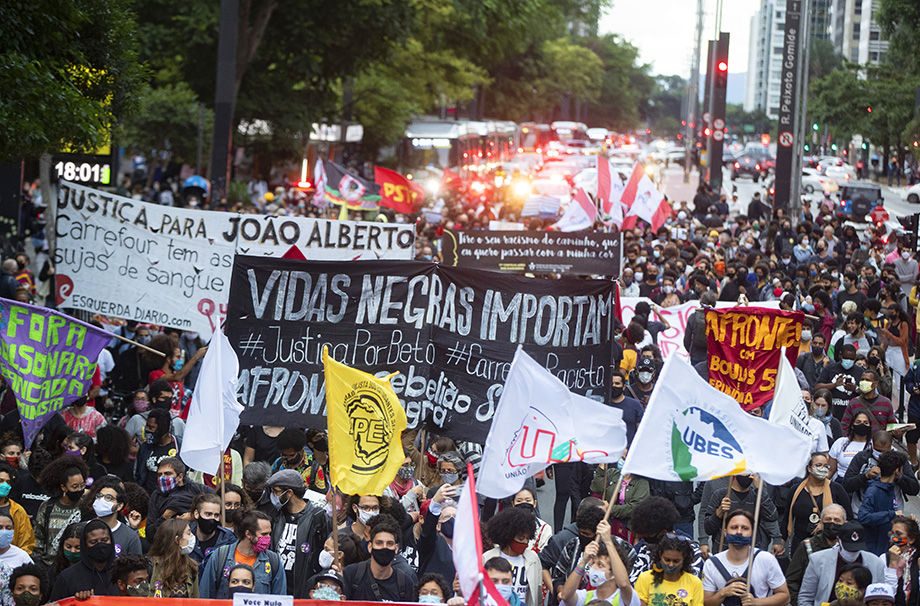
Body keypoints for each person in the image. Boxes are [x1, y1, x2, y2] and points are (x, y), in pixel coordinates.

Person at [702, 509, 790, 606]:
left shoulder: (766, 559)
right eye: (734, 527)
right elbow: (704, 602)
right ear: (725, 532)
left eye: (745, 528)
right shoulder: (712, 564)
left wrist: (756, 602)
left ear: (752, 533)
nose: (739, 532)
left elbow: (785, 597)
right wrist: (722, 593)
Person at [267, 469, 330, 596]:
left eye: (276, 491)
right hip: (278, 588)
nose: (273, 495)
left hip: (305, 589)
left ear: (289, 492)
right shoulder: (276, 516)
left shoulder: (318, 517)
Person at [200, 510, 287, 597]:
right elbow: (205, 595)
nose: (268, 538)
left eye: (269, 534)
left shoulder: (273, 561)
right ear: (248, 534)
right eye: (264, 534)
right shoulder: (220, 556)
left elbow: (280, 598)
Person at [798, 522, 886, 606]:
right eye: (849, 548)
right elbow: (805, 598)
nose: (852, 553)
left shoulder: (876, 563)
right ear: (838, 540)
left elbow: (880, 599)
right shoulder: (818, 560)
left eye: (856, 549)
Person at [786, 453, 853, 555]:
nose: (823, 469)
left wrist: (827, 523)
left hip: (828, 544)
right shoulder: (796, 490)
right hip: (800, 543)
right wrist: (780, 541)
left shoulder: (837, 489)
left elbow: (849, 519)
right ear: (809, 468)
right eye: (818, 465)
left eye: (826, 466)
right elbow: (786, 518)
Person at [559, 519, 636, 606]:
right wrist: (583, 561)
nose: (593, 568)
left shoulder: (625, 599)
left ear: (613, 573)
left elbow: (624, 584)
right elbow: (565, 596)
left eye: (600, 565)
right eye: (592, 563)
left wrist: (608, 542)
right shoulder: (584, 597)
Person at [841, 431, 919, 515]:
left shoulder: (900, 461)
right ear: (872, 445)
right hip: (862, 513)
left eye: (885, 451)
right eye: (878, 450)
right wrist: (865, 476)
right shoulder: (861, 458)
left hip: (893, 514)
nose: (881, 454)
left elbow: (914, 489)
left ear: (891, 447)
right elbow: (846, 485)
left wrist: (899, 477)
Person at [342, 513, 417, 601]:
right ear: (370, 547)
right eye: (379, 543)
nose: (384, 547)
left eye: (389, 543)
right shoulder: (352, 574)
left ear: (396, 548)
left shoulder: (406, 582)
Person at [629, 496, 703, 583]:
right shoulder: (643, 547)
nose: (646, 539)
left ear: (663, 533)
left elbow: (693, 581)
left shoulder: (690, 548)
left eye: (649, 535)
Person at [704, 474, 783, 554]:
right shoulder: (720, 495)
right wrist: (720, 512)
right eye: (745, 471)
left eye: (750, 472)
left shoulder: (757, 497)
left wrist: (759, 490)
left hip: (751, 552)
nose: (748, 475)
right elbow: (708, 528)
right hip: (723, 551)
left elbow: (772, 516)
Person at [785, 504, 847, 605]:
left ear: (844, 523)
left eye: (837, 520)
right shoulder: (807, 546)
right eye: (828, 519)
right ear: (821, 522)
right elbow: (792, 582)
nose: (832, 523)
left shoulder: (849, 550)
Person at [33, 457, 87, 567]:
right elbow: (38, 537)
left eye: (82, 486)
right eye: (74, 486)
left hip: (76, 566)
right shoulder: (47, 507)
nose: (79, 490)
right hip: (50, 566)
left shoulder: (85, 507)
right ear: (63, 487)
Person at [484, 504, 542, 606]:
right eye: (520, 538)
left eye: (527, 538)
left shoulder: (533, 559)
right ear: (508, 536)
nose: (525, 542)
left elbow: (537, 591)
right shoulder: (487, 558)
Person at [49, 519, 119, 600]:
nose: (100, 545)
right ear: (85, 545)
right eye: (93, 542)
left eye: (104, 540)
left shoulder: (122, 572)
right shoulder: (67, 577)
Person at [146, 457, 212, 540]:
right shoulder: (156, 496)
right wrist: (165, 516)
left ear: (180, 477)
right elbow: (150, 534)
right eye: (159, 475)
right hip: (168, 543)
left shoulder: (198, 490)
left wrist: (194, 516)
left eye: (167, 474)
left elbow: (217, 509)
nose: (162, 478)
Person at [858, 449, 909, 555]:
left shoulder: (890, 488)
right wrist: (892, 514)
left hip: (886, 546)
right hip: (874, 550)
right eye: (901, 470)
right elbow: (863, 517)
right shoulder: (873, 491)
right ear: (896, 471)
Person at [590, 451, 649, 541]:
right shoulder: (613, 474)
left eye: (625, 458)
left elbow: (634, 508)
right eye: (621, 458)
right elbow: (597, 488)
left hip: (627, 528)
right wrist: (601, 467)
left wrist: (609, 508)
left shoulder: (642, 483)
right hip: (609, 523)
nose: (622, 461)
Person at [634, 535, 703, 606]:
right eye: (667, 560)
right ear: (660, 556)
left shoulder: (694, 583)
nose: (671, 565)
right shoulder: (645, 579)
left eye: (676, 561)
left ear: (684, 560)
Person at [147, 517, 199, 597]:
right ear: (177, 539)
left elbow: (195, 599)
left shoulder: (191, 566)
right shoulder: (151, 565)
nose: (192, 536)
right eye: (188, 533)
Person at [89, 478, 142, 555]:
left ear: (119, 506)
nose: (102, 500)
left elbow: (136, 564)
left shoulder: (130, 537)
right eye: (99, 496)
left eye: (109, 497)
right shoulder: (83, 528)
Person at [417, 483, 457, 583]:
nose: (451, 520)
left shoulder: (466, 547)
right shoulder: (432, 544)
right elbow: (428, 531)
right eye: (447, 517)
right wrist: (436, 501)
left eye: (455, 517)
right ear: (437, 525)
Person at [135, 408, 181, 495]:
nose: (147, 430)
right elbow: (138, 474)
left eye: (152, 427)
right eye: (147, 426)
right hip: (149, 497)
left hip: (174, 498)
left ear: (162, 429)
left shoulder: (179, 446)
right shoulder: (145, 447)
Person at [187, 493, 235, 573]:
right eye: (208, 514)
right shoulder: (185, 536)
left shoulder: (228, 540)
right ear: (196, 514)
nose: (212, 519)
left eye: (216, 515)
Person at [840, 369, 896, 435]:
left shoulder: (886, 403)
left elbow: (892, 426)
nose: (864, 382)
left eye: (867, 380)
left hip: (878, 444)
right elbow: (844, 426)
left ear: (875, 384)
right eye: (862, 380)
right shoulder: (853, 403)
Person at [815, 344, 863, 419]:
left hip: (852, 415)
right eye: (846, 358)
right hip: (832, 414)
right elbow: (817, 387)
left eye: (851, 359)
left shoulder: (860, 371)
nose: (848, 361)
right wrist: (834, 385)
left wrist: (855, 389)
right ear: (840, 355)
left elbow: (868, 393)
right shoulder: (830, 368)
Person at [884, 515, 919, 606]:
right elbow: (887, 592)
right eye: (892, 533)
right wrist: (893, 564)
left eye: (899, 534)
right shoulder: (884, 558)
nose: (893, 537)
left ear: (911, 539)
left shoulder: (917, 559)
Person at [0, 462, 34, 555]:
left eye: (8, 482)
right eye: (1, 480)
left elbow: (26, 543)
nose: (4, 485)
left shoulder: (18, 511)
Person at [829, 412, 873, 479]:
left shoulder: (873, 445)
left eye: (865, 423)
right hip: (842, 481)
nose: (862, 424)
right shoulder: (840, 442)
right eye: (858, 422)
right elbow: (830, 471)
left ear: (869, 426)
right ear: (852, 425)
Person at [610, 371, 644, 443]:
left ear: (623, 387)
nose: (614, 386)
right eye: (612, 383)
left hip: (629, 450)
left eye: (617, 383)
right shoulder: (603, 404)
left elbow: (641, 431)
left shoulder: (635, 405)